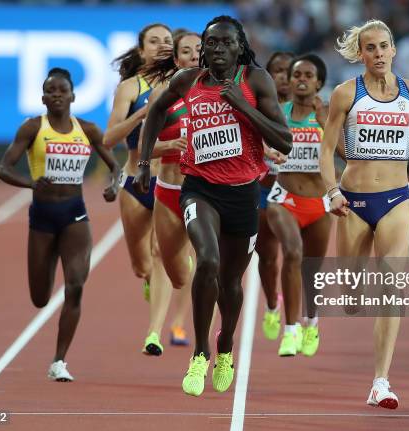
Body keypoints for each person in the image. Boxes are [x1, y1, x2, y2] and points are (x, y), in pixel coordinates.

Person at [134, 15, 292, 397]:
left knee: (231, 283)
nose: (216, 49)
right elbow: (156, 112)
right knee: (207, 260)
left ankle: (225, 348)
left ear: (239, 47)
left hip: (243, 194)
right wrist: (143, 162)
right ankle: (200, 353)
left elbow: (284, 141)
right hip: (198, 189)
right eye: (211, 43)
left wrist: (243, 107)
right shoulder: (187, 81)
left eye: (224, 43)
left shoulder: (255, 81)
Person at [320, 20, 409, 409]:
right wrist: (332, 191)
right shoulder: (346, 93)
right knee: (350, 296)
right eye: (371, 48)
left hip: (397, 200)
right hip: (353, 202)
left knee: (391, 287)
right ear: (361, 53)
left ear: (395, 49)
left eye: (384, 46)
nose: (379, 54)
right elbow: (326, 148)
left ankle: (381, 381)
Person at [0, 68, 120, 381]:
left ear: (73, 96)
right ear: (42, 97)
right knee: (40, 298)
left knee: (76, 286)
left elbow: (116, 166)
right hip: (42, 217)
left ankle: (59, 361)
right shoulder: (32, 127)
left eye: (61, 90)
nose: (56, 96)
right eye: (50, 91)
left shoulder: (88, 130)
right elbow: (3, 169)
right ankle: (50, 259)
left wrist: (113, 186)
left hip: (74, 215)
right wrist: (31, 184)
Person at [137, 31, 202, 355]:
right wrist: (168, 146)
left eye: (199, 50)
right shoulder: (163, 95)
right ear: (176, 60)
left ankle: (204, 344)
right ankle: (153, 333)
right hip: (168, 187)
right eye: (186, 52)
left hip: (203, 190)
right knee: (164, 260)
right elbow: (143, 146)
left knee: (207, 262)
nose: (194, 56)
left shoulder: (218, 95)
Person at [103, 23, 173, 309]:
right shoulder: (130, 88)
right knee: (141, 265)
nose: (162, 46)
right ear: (142, 50)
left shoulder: (183, 84)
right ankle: (149, 281)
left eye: (167, 41)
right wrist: (142, 114)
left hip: (170, 181)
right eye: (154, 42)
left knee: (161, 253)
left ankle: (157, 329)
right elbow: (108, 139)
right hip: (136, 182)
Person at [267, 54, 331, 358]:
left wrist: (323, 124)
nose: (302, 79)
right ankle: (290, 330)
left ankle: (312, 321)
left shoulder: (329, 113)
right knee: (292, 252)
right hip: (284, 198)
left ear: (319, 82)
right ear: (290, 81)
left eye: (308, 74)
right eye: (296, 74)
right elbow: (259, 146)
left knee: (312, 271)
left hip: (319, 203)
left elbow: (348, 152)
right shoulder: (278, 113)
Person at [259, 51, 294, 342]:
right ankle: (272, 303)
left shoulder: (309, 109)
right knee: (268, 257)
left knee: (297, 253)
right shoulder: (257, 106)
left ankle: (299, 320)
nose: (283, 76)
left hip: (297, 191)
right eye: (277, 71)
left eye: (288, 71)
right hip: (263, 187)